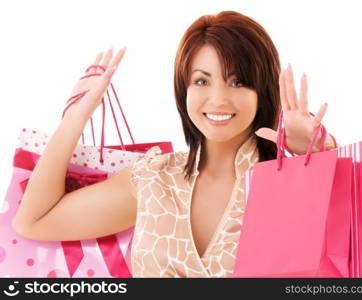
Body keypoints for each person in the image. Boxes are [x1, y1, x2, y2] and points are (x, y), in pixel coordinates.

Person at [12, 11, 338, 277]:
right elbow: (34, 221)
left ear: (262, 90)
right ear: (183, 90)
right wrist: (77, 116)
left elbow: (349, 259)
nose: (218, 98)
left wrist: (321, 159)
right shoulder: (155, 180)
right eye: (202, 80)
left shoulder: (288, 182)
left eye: (238, 81)